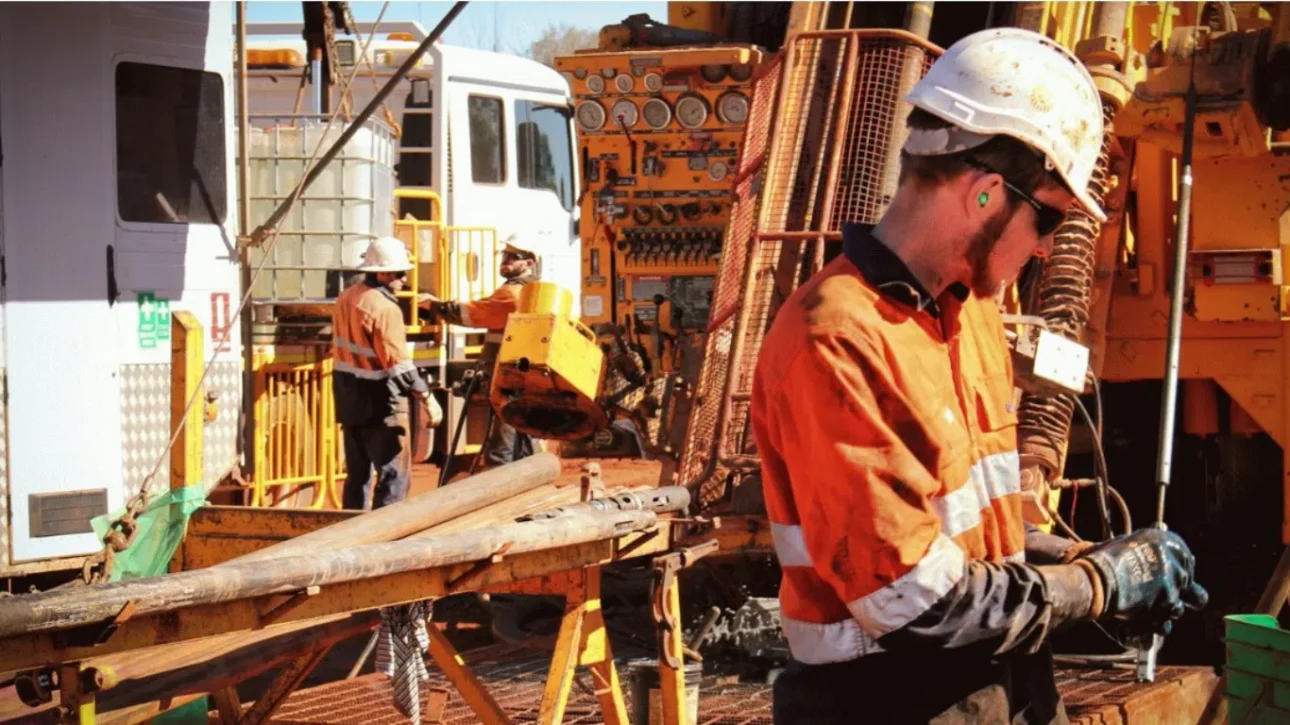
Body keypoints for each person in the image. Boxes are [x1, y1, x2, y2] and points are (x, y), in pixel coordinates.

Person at [749, 28, 1208, 725]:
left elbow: (972, 535)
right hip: (883, 703)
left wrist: (1094, 554)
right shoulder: (835, 338)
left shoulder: (971, 313)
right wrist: (1099, 585)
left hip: (998, 692)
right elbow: (910, 600)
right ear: (988, 194)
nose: (1051, 245)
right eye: (1049, 216)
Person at [333, 236, 442, 511]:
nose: (404, 280)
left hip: (349, 401)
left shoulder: (346, 298)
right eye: (400, 273)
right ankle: (386, 543)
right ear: (382, 272)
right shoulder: (385, 309)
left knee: (357, 477)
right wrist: (427, 397)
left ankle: (347, 537)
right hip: (382, 404)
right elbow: (399, 364)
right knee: (394, 477)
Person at [419, 234, 541, 468]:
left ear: (529, 263)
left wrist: (435, 306)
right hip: (522, 376)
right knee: (522, 437)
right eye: (504, 255)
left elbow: (474, 313)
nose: (505, 260)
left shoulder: (513, 294)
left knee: (503, 447)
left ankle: (502, 493)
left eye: (513, 257)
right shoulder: (530, 290)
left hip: (509, 377)